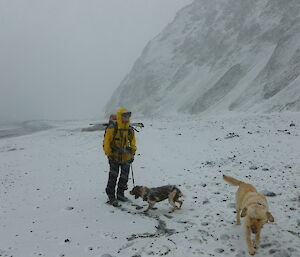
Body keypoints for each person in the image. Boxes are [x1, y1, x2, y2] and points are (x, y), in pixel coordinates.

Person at [103, 108, 137, 206]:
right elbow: (107, 141)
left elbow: (133, 142)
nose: (126, 118)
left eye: (128, 116)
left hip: (126, 157)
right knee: (113, 177)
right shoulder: (112, 128)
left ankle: (120, 194)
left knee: (124, 177)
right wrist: (108, 153)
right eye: (124, 116)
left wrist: (132, 153)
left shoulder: (129, 129)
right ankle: (111, 196)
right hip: (114, 157)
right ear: (120, 116)